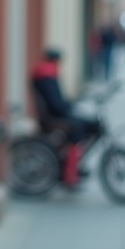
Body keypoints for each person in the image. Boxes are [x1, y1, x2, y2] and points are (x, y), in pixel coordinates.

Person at [31, 48, 98, 185]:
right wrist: (70, 106)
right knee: (81, 126)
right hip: (54, 117)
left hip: (54, 113)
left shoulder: (45, 72)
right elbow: (56, 104)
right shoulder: (47, 75)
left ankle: (71, 162)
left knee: (86, 123)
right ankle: (70, 172)